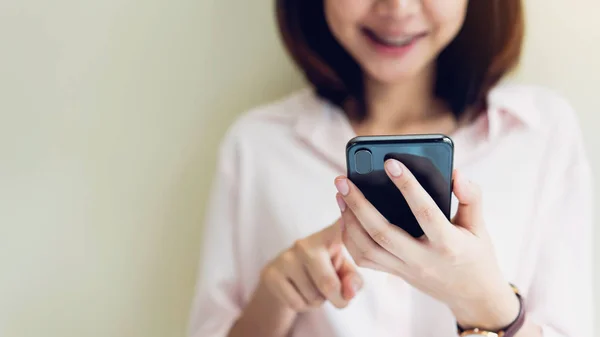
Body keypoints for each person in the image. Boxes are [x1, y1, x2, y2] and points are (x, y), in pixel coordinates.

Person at [188, 0, 594, 336]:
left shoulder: (539, 133)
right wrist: (275, 299)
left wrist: (487, 305)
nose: (397, 8)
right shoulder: (258, 145)